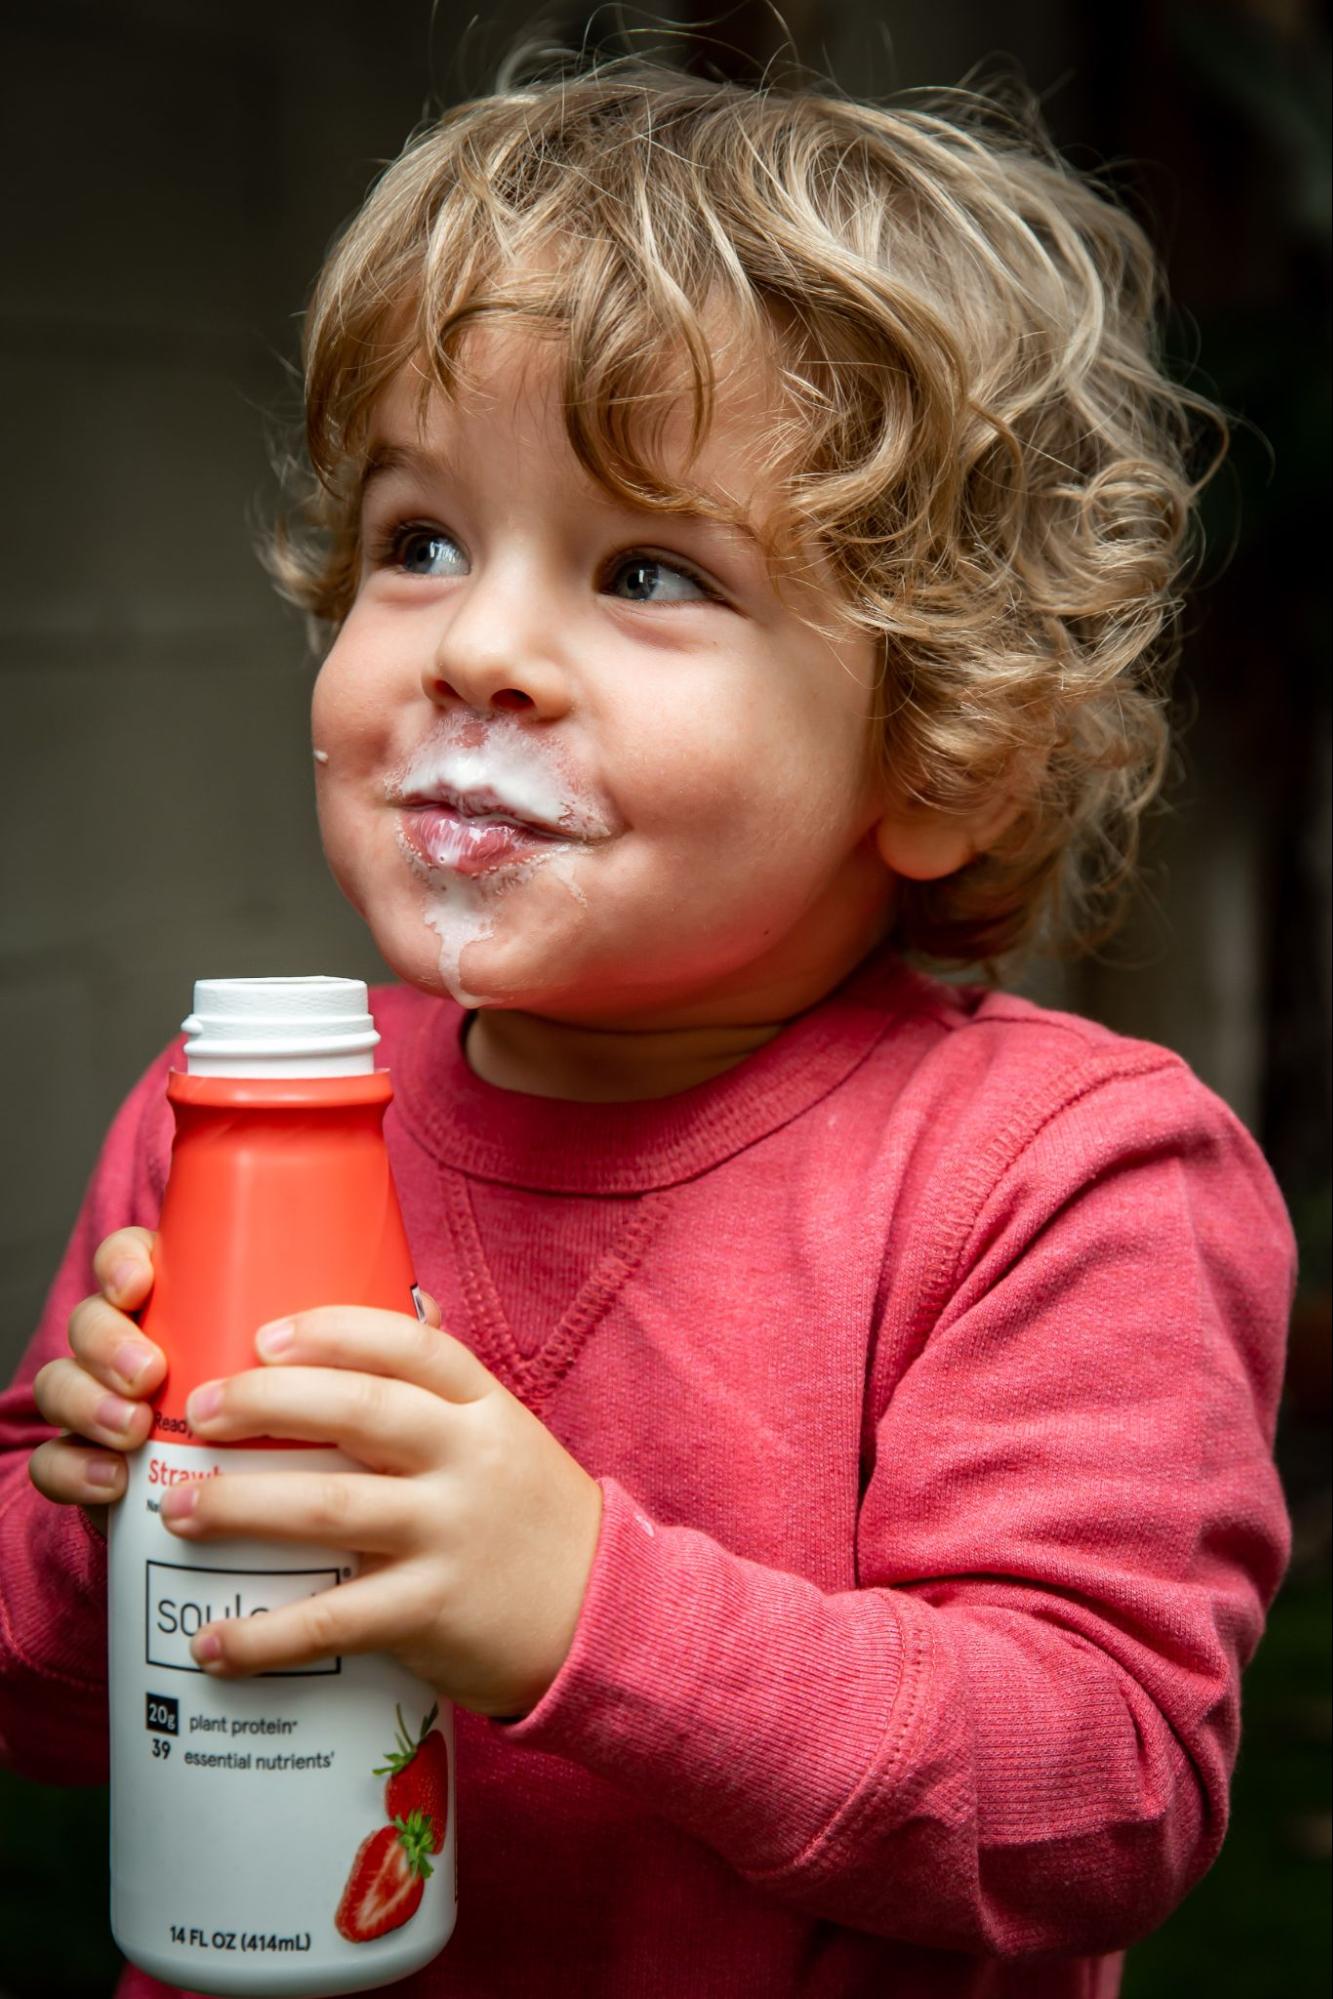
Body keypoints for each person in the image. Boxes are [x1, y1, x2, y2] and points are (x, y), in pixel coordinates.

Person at [0, 57, 1293, 1999]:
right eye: (418, 538)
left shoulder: (1058, 1169)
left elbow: (1099, 1791)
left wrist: (582, 1606)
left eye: (647, 571)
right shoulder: (232, 1116)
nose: (479, 648)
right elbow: (56, 1703)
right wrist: (107, 1523)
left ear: (936, 752)